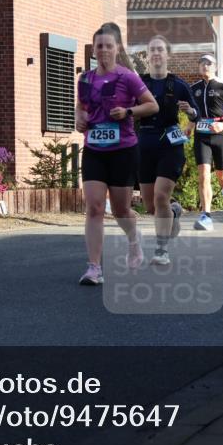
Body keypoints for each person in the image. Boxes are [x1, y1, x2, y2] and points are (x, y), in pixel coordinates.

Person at [76, 24, 159, 285]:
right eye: (99, 46)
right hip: (94, 150)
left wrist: (128, 112)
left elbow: (152, 105)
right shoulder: (85, 79)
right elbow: (81, 107)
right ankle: (94, 268)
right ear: (93, 49)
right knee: (94, 207)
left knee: (122, 210)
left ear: (117, 48)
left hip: (123, 151)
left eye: (108, 45)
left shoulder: (128, 77)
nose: (103, 50)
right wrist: (79, 119)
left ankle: (134, 241)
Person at [136, 36, 195, 265]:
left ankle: (161, 250)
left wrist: (190, 112)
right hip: (145, 145)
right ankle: (173, 212)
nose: (156, 54)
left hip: (171, 146)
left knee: (161, 195)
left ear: (168, 54)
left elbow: (196, 114)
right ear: (147, 55)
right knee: (151, 206)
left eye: (160, 49)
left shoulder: (178, 84)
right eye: (152, 50)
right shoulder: (139, 84)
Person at [187, 54, 223, 230]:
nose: (205, 66)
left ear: (215, 67)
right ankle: (206, 215)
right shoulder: (193, 88)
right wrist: (189, 127)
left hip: (220, 135)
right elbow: (194, 113)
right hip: (201, 136)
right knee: (203, 175)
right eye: (202, 63)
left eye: (209, 63)